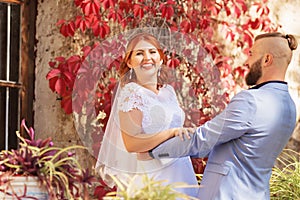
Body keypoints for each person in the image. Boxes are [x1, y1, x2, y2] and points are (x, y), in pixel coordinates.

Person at [142, 32, 298, 200]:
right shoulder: (290, 107)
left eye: (251, 54)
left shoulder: (251, 101)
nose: (246, 61)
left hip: (227, 194)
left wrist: (153, 152)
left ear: (267, 59)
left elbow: (202, 140)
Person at [96, 32, 199, 198]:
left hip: (182, 171)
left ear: (160, 58)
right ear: (129, 62)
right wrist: (170, 133)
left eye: (152, 52)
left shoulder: (169, 92)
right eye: (139, 53)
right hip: (154, 176)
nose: (147, 58)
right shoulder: (132, 94)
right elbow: (132, 144)